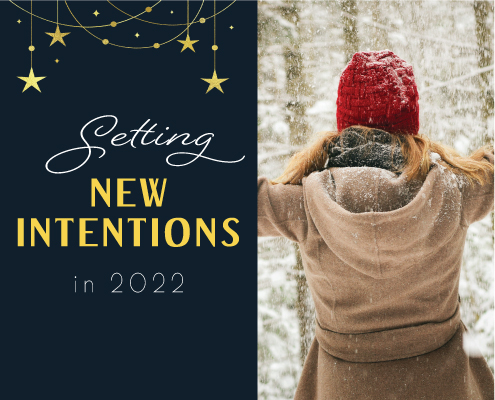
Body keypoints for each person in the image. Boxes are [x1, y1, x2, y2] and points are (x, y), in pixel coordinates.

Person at [258, 50, 494, 400]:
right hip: (445, 385)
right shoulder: (455, 193)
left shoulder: (304, 206)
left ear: (344, 123)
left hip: (344, 387)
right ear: (410, 123)